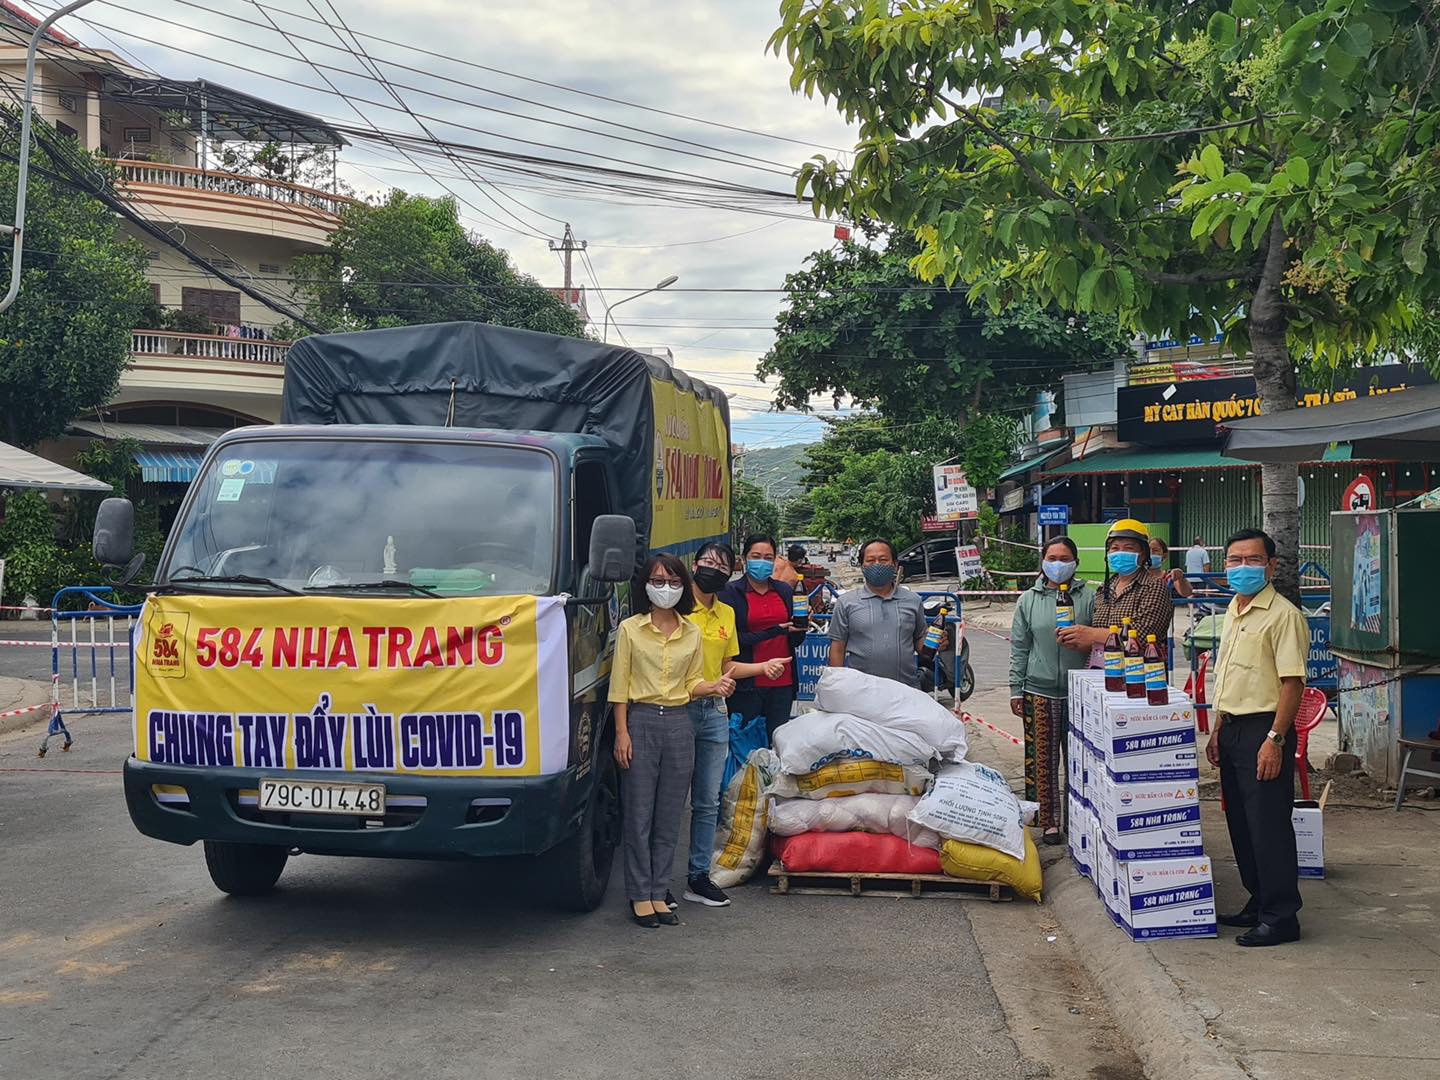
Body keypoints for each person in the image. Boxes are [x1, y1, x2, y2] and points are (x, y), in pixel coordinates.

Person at [1205, 528, 1309, 947]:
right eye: (1234, 560)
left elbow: (1292, 683)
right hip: (1231, 727)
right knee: (1242, 824)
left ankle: (1282, 917)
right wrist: (1216, 731)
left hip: (1265, 729)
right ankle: (1258, 899)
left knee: (1268, 826)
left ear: (1271, 566)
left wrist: (1275, 739)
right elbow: (1229, 678)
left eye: (1251, 560)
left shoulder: (1283, 615)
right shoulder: (1233, 608)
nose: (1242, 568)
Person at [684, 541, 790, 908]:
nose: (713, 568)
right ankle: (651, 883)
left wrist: (763, 667)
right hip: (675, 710)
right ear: (694, 565)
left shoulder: (726, 613)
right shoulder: (677, 609)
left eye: (721, 564)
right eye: (707, 561)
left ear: (731, 571)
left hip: (714, 712)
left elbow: (728, 665)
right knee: (664, 801)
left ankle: (698, 876)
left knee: (709, 799)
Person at [609, 553, 706, 929]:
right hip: (641, 721)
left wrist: (713, 687)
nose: (665, 588)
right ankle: (638, 894)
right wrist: (622, 732)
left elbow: (693, 683)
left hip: (680, 724)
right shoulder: (632, 629)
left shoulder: (692, 632)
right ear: (646, 586)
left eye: (673, 581)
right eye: (658, 580)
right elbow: (620, 686)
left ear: (683, 586)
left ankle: (657, 891)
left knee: (669, 817)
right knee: (639, 815)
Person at [1009, 536, 1095, 844]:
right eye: (1052, 558)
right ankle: (1049, 822)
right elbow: (1020, 647)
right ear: (1043, 562)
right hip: (1038, 690)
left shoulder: (1091, 596)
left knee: (1081, 760)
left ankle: (1080, 820)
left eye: (1064, 558)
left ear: (1075, 563)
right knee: (1041, 761)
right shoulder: (1028, 600)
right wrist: (1015, 689)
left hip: (1081, 692)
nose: (1058, 564)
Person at [1057, 519, 1174, 665]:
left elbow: (1142, 637)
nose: (1120, 553)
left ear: (1143, 554)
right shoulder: (1104, 589)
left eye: (1128, 548)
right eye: (1115, 548)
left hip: (1137, 674)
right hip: (1098, 671)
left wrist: (1091, 634)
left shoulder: (1154, 587)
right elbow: (1097, 640)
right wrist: (1076, 640)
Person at [720, 535, 801, 741]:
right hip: (747, 683)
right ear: (744, 558)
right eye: (756, 556)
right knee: (745, 746)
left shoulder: (783, 590)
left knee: (779, 745)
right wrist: (772, 632)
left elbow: (793, 639)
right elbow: (731, 641)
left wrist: (799, 629)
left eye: (768, 557)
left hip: (783, 682)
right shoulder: (730, 592)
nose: (762, 562)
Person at [827, 538, 932, 688]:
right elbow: (837, 648)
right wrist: (836, 685)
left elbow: (920, 639)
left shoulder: (913, 600)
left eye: (883, 559)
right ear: (862, 566)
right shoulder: (846, 603)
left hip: (906, 689)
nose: (877, 564)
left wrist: (934, 643)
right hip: (862, 690)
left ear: (895, 565)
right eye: (870, 560)